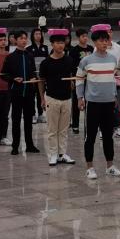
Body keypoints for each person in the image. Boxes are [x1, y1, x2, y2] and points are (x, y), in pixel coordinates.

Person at [76, 24, 120, 180]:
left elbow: (113, 79)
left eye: (106, 40)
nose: (104, 43)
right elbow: (79, 79)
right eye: (101, 40)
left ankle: (110, 166)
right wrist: (80, 98)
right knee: (90, 136)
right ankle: (89, 168)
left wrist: (114, 96)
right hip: (93, 103)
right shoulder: (86, 60)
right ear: (95, 42)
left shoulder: (112, 59)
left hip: (109, 102)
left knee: (108, 136)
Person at [39, 28, 77, 166]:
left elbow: (72, 75)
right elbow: (41, 81)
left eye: (62, 43)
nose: (61, 45)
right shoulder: (46, 63)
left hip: (67, 98)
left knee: (63, 129)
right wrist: (42, 98)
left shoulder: (69, 60)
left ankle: (62, 153)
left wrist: (72, 83)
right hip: (51, 98)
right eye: (57, 43)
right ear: (52, 44)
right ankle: (53, 154)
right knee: (52, 129)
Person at [3, 30, 39, 154]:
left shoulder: (30, 56)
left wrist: (34, 78)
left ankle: (30, 145)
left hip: (29, 93)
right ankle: (15, 146)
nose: (24, 40)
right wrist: (13, 79)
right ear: (15, 40)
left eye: (25, 38)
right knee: (16, 120)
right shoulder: (10, 57)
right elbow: (4, 75)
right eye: (21, 38)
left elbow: (34, 72)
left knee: (28, 120)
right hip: (16, 93)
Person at [66, 29, 93, 135]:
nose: (85, 38)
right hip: (78, 78)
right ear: (78, 37)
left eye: (86, 36)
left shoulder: (91, 49)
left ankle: (89, 123)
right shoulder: (74, 50)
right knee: (77, 101)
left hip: (90, 79)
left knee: (90, 102)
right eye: (83, 36)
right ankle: (75, 125)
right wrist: (72, 80)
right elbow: (71, 66)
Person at [28, 28, 49, 123]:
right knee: (32, 95)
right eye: (36, 34)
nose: (38, 36)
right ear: (32, 36)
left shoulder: (45, 47)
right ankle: (32, 114)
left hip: (42, 75)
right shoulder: (29, 48)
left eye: (39, 34)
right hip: (33, 76)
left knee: (41, 95)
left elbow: (47, 61)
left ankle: (40, 114)